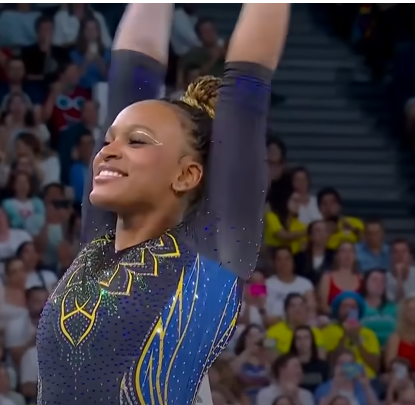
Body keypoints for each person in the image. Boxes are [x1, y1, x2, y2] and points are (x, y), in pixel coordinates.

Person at [36, 3, 290, 405]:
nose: (107, 152)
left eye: (136, 141)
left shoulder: (211, 254)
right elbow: (130, 68)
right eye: (108, 140)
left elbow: (247, 84)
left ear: (187, 174)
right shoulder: (99, 246)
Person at [289, 326, 329, 393]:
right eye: (298, 338)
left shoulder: (323, 366)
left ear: (312, 341)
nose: (302, 342)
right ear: (294, 342)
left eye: (306, 338)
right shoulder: (288, 366)